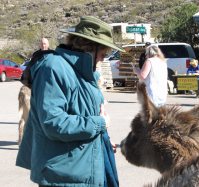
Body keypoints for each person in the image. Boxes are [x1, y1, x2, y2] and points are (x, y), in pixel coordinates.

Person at [16, 16, 124, 187]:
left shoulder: (83, 72)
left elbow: (82, 114)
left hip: (81, 170)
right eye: (102, 54)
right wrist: (99, 123)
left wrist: (100, 138)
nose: (103, 59)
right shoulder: (53, 68)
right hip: (63, 176)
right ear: (89, 48)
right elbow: (53, 122)